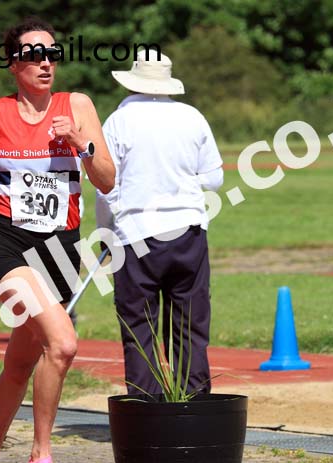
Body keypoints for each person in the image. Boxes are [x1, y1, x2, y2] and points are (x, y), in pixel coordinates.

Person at [0, 17, 115, 463]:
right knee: (63, 344)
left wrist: (80, 146)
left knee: (22, 362)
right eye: (34, 55)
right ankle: (41, 461)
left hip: (61, 251)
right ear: (13, 64)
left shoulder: (78, 106)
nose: (46, 62)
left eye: (52, 53)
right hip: (8, 247)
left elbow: (106, 179)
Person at [96, 49, 224, 397]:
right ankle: (194, 404)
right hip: (189, 233)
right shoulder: (192, 117)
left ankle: (144, 409)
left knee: (139, 327)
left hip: (135, 237)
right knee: (190, 324)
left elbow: (106, 186)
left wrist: (105, 234)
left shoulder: (118, 121)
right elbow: (214, 180)